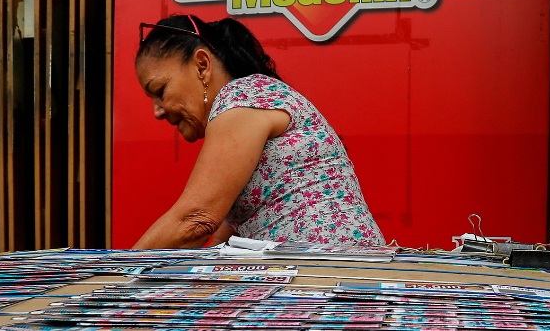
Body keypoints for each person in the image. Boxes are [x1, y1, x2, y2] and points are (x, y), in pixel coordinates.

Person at [131, 14, 386, 249]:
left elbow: (195, 221)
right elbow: (220, 240)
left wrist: (115, 275)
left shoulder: (242, 96)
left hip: (328, 270)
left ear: (201, 65)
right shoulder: (252, 102)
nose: (158, 111)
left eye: (160, 91)